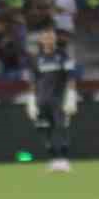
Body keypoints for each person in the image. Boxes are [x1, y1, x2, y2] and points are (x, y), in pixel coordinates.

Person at [24, 25, 77, 173]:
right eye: (46, 37)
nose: (48, 39)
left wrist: (71, 96)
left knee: (61, 128)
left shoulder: (63, 56)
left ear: (55, 39)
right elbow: (33, 81)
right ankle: (53, 159)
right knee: (44, 129)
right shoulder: (36, 59)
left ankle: (64, 160)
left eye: (51, 37)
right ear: (41, 40)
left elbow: (71, 78)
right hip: (42, 100)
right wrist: (31, 100)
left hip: (58, 99)